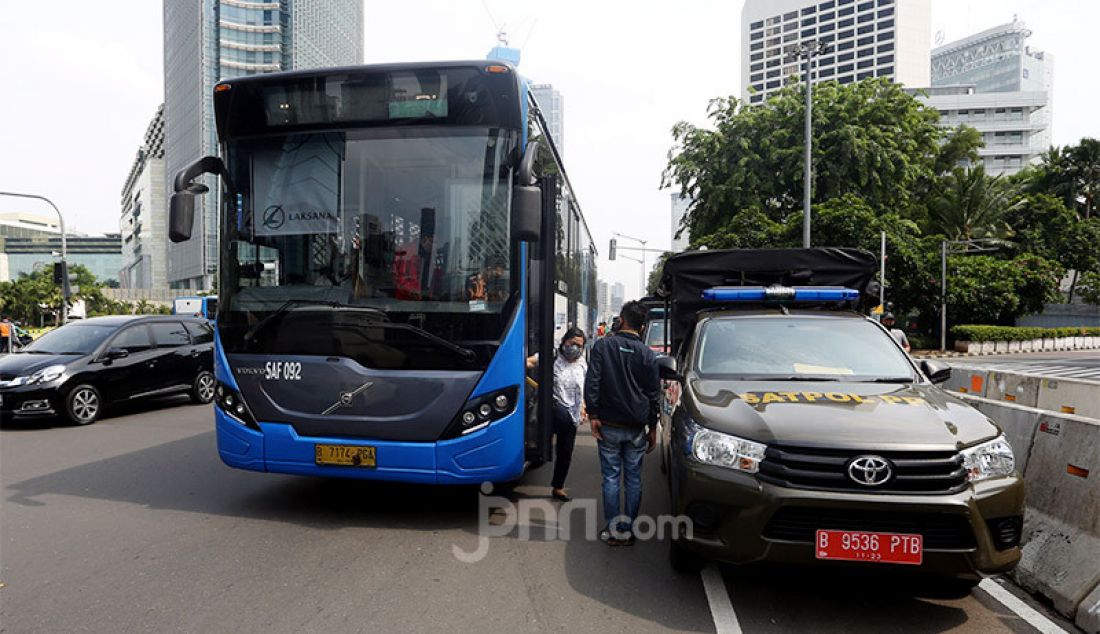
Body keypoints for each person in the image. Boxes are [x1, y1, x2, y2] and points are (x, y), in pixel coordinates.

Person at [585, 300, 660, 546]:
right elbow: (653, 394)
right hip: (637, 428)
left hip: (609, 424)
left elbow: (593, 382)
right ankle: (628, 531)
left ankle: (614, 530)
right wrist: (652, 427)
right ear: (643, 326)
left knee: (611, 478)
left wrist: (594, 415)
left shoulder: (603, 346)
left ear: (622, 319)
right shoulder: (648, 354)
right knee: (634, 479)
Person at [526, 327, 588, 501]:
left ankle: (558, 487)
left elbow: (584, 387)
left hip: (573, 414)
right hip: (551, 410)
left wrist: (584, 406)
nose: (575, 348)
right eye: (572, 343)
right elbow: (530, 362)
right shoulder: (551, 356)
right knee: (537, 446)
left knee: (565, 452)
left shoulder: (582, 363)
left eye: (579, 345)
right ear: (563, 342)